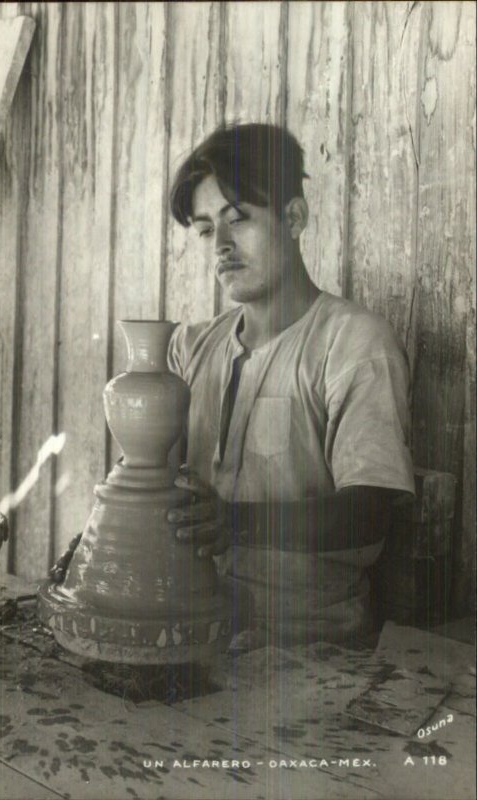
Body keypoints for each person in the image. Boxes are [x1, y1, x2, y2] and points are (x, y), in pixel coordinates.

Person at [165, 122, 415, 650]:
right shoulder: (191, 348)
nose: (222, 246)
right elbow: (154, 488)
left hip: (313, 651)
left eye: (240, 220)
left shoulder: (352, 343)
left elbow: (368, 515)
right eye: (208, 230)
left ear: (295, 217)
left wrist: (235, 522)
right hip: (197, 632)